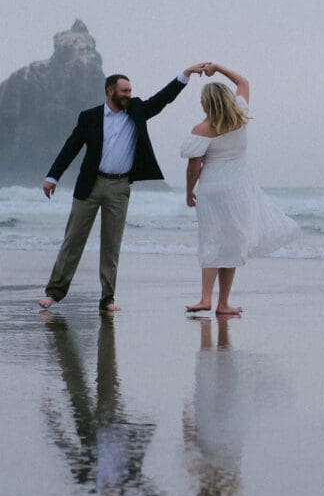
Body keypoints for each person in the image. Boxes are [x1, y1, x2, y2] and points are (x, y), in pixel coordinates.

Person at [39, 63, 208, 313]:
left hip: (119, 188)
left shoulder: (137, 110)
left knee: (111, 245)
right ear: (110, 92)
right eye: (124, 91)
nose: (129, 95)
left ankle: (107, 299)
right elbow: (71, 147)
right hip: (90, 184)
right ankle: (53, 293)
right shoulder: (90, 117)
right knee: (73, 241)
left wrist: (186, 74)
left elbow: (163, 99)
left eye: (130, 90)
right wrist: (53, 176)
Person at [180, 63, 299, 314]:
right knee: (232, 243)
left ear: (208, 102)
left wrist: (189, 191)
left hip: (213, 188)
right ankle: (223, 303)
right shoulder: (241, 116)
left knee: (211, 240)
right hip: (239, 188)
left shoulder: (202, 129)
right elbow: (243, 82)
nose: (201, 104)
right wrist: (217, 68)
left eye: (202, 100)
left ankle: (205, 298)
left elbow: (194, 167)